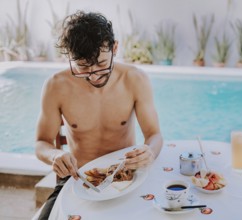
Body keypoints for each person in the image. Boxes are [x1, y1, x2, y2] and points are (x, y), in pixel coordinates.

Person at [35, 11, 163, 219]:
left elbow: (154, 134)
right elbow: (41, 143)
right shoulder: (55, 86)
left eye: (102, 64)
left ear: (115, 48)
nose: (94, 75)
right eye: (83, 66)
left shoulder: (135, 79)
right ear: (69, 57)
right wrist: (55, 155)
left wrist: (149, 151)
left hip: (128, 177)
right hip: (79, 180)